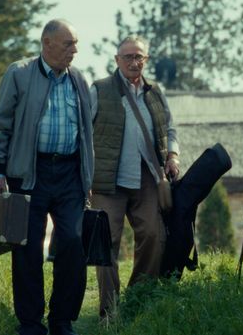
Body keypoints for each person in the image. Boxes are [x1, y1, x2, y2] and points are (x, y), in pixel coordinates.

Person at [0, 19, 94, 335]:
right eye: (68, 44)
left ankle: (62, 320)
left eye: (75, 44)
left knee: (73, 243)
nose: (75, 50)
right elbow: (1, 123)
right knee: (28, 248)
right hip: (29, 173)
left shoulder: (79, 79)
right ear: (46, 43)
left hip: (70, 174)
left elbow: (87, 134)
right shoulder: (19, 73)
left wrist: (87, 178)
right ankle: (31, 324)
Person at [89, 35, 180, 317]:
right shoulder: (100, 89)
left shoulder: (155, 92)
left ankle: (137, 299)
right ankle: (109, 311)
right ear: (116, 60)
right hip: (107, 178)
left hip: (146, 176)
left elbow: (170, 130)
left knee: (154, 235)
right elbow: (83, 131)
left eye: (139, 56)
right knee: (106, 245)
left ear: (146, 60)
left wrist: (173, 155)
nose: (133, 61)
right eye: (127, 56)